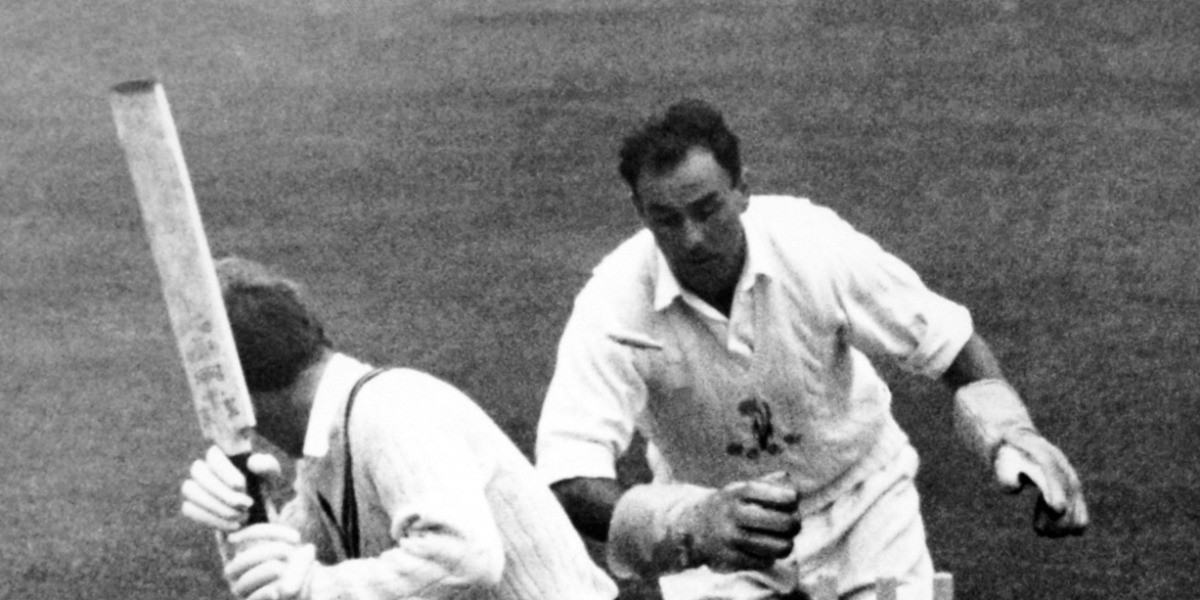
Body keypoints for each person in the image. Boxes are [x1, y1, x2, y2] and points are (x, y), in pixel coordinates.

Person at [534, 99, 1088, 600]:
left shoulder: (812, 243)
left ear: (742, 189)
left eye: (707, 209)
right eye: (666, 219)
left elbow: (943, 338)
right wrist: (690, 524)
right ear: (639, 211)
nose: (692, 238)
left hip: (863, 502)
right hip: (721, 533)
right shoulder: (612, 304)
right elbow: (568, 476)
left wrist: (1012, 433)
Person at [180, 256, 618, 600]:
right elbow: (286, 572)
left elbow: (465, 558)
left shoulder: (392, 408)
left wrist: (317, 589)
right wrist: (244, 517)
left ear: (245, 397)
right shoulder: (326, 441)